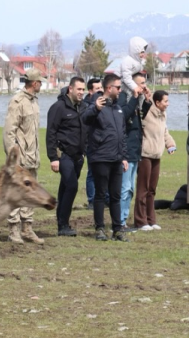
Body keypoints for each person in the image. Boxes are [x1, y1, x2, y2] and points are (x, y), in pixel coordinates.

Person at [81, 73, 130, 242]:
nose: (120, 90)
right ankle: (100, 229)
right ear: (109, 88)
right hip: (100, 157)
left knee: (115, 196)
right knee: (100, 195)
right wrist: (95, 108)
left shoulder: (117, 108)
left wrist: (124, 157)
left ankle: (117, 230)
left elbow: (122, 134)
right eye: (118, 87)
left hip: (116, 159)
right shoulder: (96, 104)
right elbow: (85, 119)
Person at [4, 68, 44, 244]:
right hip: (20, 158)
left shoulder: (34, 102)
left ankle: (27, 228)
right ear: (34, 83)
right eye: (40, 82)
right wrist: (13, 158)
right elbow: (8, 131)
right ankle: (14, 231)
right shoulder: (17, 101)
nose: (41, 84)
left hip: (32, 157)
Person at [46, 76, 86, 236]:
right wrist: (53, 158)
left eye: (83, 89)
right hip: (63, 155)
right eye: (79, 89)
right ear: (70, 89)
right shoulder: (58, 107)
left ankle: (62, 222)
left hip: (78, 156)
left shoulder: (82, 107)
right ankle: (63, 225)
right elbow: (50, 133)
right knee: (72, 186)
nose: (82, 92)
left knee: (65, 187)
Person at [135, 90, 177, 230]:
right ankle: (140, 221)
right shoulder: (147, 112)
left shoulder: (163, 114)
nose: (168, 104)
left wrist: (170, 144)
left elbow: (165, 132)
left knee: (152, 189)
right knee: (143, 189)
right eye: (166, 101)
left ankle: (151, 220)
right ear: (157, 102)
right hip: (145, 155)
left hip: (157, 156)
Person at [118, 72, 150, 228]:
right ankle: (120, 222)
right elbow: (124, 115)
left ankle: (123, 219)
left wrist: (147, 101)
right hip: (126, 152)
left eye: (144, 83)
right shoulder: (124, 98)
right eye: (140, 83)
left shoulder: (136, 101)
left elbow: (140, 117)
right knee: (125, 189)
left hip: (135, 152)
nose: (143, 86)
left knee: (130, 189)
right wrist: (136, 97)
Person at [83, 78, 102, 206]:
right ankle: (91, 200)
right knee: (91, 172)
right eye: (97, 89)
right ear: (90, 91)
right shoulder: (86, 106)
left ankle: (103, 198)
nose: (100, 91)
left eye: (101, 88)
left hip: (102, 144)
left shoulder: (104, 103)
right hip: (90, 143)